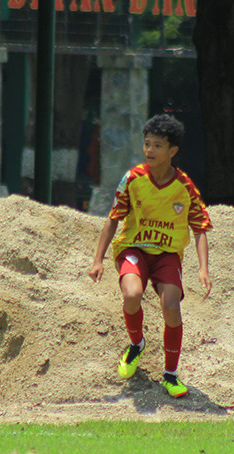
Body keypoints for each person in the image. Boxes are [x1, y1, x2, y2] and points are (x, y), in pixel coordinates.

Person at [88, 114, 212, 398]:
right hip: (133, 249)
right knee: (132, 294)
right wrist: (98, 259)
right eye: (146, 144)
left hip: (167, 255)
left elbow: (200, 228)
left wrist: (203, 269)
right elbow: (113, 219)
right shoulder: (132, 179)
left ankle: (170, 375)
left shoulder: (185, 187)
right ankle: (136, 344)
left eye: (157, 145)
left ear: (173, 151)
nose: (150, 150)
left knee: (171, 305)